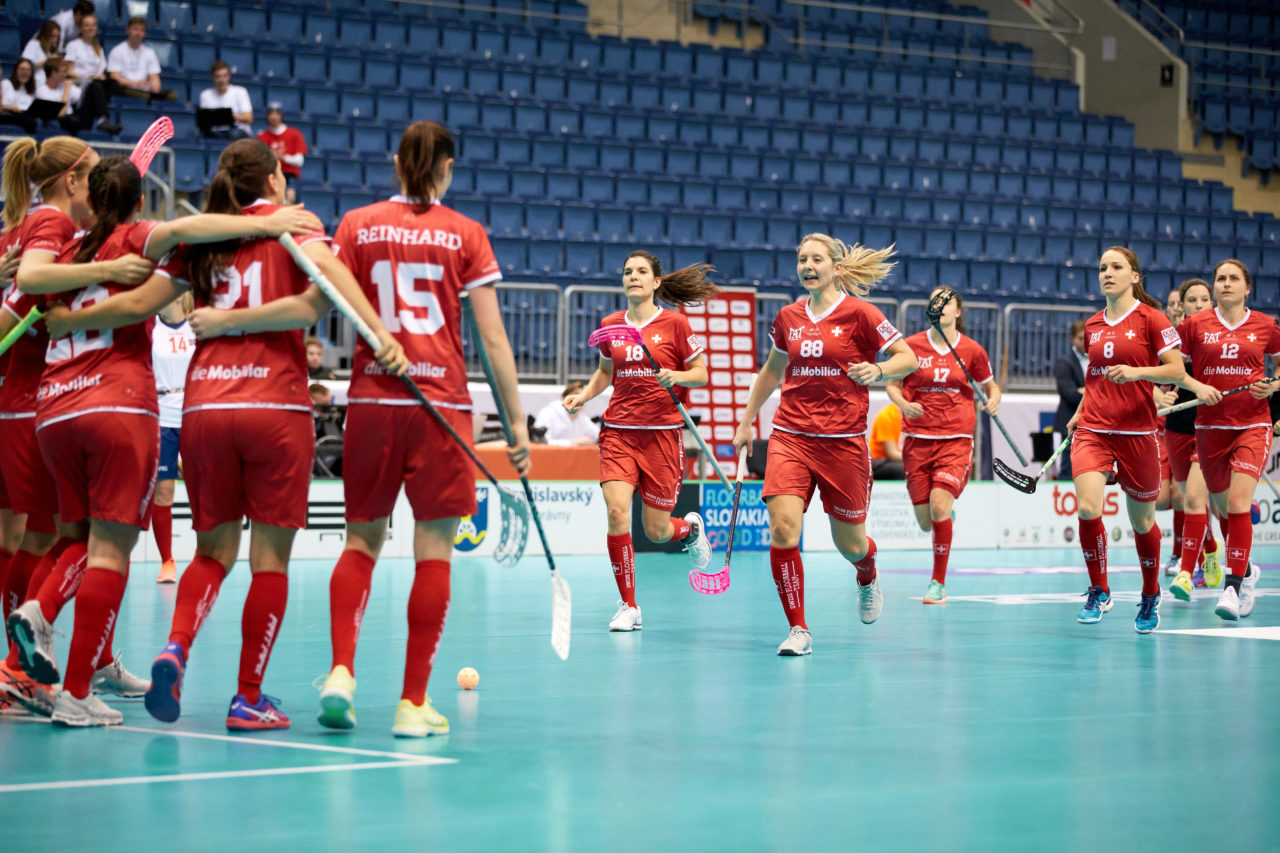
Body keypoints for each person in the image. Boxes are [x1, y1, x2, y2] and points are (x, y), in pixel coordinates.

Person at [43, 138, 405, 731]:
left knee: (211, 554)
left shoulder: (203, 240)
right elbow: (314, 306)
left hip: (205, 407)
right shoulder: (294, 226)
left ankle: (176, 646)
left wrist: (67, 319)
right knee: (269, 563)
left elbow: (138, 303)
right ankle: (247, 697)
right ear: (273, 182)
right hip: (274, 408)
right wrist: (384, 338)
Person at [187, 121, 528, 736]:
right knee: (433, 553)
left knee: (360, 544)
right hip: (438, 403)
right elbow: (493, 338)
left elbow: (321, 303)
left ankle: (341, 672)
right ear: (448, 169)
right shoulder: (467, 233)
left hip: (372, 399)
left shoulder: (356, 224)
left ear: (396, 164)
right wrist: (517, 426)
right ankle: (412, 704)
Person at [0, 136, 153, 718]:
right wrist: (113, 267)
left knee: (58, 538)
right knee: (64, 539)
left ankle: (94, 655)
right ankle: (18, 667)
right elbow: (23, 303)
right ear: (72, 181)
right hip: (45, 395)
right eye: (92, 175)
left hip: (40, 399)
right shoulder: (54, 227)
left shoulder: (38, 228)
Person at [732, 234, 918, 656]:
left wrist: (878, 369)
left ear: (836, 267)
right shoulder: (788, 317)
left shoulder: (862, 313)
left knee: (850, 545)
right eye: (802, 259)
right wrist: (746, 421)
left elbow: (907, 357)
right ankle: (798, 628)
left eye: (816, 259)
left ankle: (867, 574)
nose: (808, 266)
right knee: (783, 528)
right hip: (790, 436)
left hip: (843, 443)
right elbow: (772, 370)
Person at [1064, 247, 1215, 634]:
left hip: (1138, 433)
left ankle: (1150, 593)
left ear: (1134, 276)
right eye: (1102, 267)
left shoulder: (1153, 319)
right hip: (1094, 429)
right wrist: (1080, 411)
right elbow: (1096, 376)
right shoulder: (1093, 324)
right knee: (1087, 508)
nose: (1107, 273)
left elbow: (1176, 370)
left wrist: (1137, 373)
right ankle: (1099, 590)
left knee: (1143, 521)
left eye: (1116, 267)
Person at [564, 251, 716, 633]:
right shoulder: (610, 325)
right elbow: (605, 372)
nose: (633, 276)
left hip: (662, 435)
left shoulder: (676, 323)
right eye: (628, 271)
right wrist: (584, 395)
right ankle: (629, 605)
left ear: (655, 282)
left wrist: (676, 376)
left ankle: (690, 530)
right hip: (619, 432)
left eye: (641, 271)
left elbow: (700, 373)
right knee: (617, 513)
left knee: (656, 531)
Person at [1176, 259, 1279, 620]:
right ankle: (1247, 570)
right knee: (1223, 510)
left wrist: (1275, 384)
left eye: (1234, 278)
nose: (1226, 283)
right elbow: (1174, 366)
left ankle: (1233, 588)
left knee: (1237, 504)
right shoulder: (1194, 325)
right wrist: (1196, 386)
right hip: (1209, 429)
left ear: (1247, 287)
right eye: (1221, 278)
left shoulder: (1265, 325)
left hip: (1253, 424)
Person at [886, 286, 999, 605]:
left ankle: (938, 582)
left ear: (957, 311)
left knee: (938, 506)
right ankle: (945, 517)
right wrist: (903, 404)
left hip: (956, 440)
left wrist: (993, 401)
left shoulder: (973, 351)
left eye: (946, 301)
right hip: (917, 441)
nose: (940, 305)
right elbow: (892, 385)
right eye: (934, 300)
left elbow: (992, 387)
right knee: (926, 522)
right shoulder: (910, 346)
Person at [1165, 278, 1223, 598]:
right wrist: (1162, 394)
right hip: (1177, 425)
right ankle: (1210, 547)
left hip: (1208, 425)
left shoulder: (1221, 337)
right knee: (1192, 501)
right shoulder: (1173, 339)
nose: (1198, 305)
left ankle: (1187, 572)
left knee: (1193, 501)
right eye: (1191, 301)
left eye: (1204, 300)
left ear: (1211, 303)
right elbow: (1156, 375)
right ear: (1182, 307)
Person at [152, 292, 195, 584]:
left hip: (194, 412)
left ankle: (205, 553)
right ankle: (167, 560)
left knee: (202, 490)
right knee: (163, 492)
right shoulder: (151, 328)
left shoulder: (197, 326)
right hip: (162, 417)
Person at [36, 57, 119, 135]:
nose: (65, 75)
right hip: (60, 122)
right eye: (63, 72)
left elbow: (83, 98)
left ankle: (102, 120)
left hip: (75, 120)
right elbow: (60, 113)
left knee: (95, 86)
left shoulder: (65, 86)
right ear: (53, 73)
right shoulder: (42, 90)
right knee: (69, 120)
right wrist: (67, 89)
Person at [106, 16, 177, 103]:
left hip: (145, 90)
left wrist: (153, 86)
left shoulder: (150, 53)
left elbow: (155, 79)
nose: (138, 33)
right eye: (135, 29)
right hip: (125, 90)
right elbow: (115, 79)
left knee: (172, 96)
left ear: (144, 33)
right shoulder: (117, 51)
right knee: (143, 96)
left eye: (142, 30)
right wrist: (136, 83)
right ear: (128, 30)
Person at [1053, 319, 1087, 481]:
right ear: (1072, 339)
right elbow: (1070, 394)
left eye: (1087, 338)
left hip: (1093, 423)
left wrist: (1083, 389)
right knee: (1067, 471)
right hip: (1069, 423)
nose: (1085, 342)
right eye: (1081, 338)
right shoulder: (1064, 362)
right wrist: (1093, 391)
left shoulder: (1097, 359)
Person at [256, 102, 307, 193]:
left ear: (281, 116)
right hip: (269, 175)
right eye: (271, 114)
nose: (274, 117)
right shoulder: (261, 137)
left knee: (290, 193)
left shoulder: (294, 134)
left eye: (277, 114)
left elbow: (299, 161)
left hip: (289, 175)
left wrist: (282, 157)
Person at [198, 61, 253, 139]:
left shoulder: (240, 91)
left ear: (229, 76)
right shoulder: (205, 95)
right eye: (218, 76)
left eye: (225, 76)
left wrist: (229, 117)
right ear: (212, 77)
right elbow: (203, 121)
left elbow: (249, 118)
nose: (222, 80)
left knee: (234, 133)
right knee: (197, 133)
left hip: (236, 130)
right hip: (215, 131)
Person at [534, 380, 599, 446]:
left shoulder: (583, 419)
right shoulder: (547, 413)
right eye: (576, 394)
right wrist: (574, 442)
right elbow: (541, 441)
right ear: (564, 397)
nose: (580, 399)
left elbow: (597, 436)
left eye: (583, 396)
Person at [311, 383, 343, 477]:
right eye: (324, 405)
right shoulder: (307, 420)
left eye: (329, 404)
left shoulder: (334, 420)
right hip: (316, 462)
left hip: (334, 459)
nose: (328, 408)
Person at [0, 61, 39, 134]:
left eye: (28, 70)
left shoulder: (30, 89)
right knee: (29, 121)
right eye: (22, 69)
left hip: (25, 114)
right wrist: (11, 108)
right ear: (16, 71)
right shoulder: (6, 84)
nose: (25, 73)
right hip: (8, 114)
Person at [868, 403, 904, 479]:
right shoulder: (886, 415)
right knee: (906, 469)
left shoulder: (919, 418)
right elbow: (892, 454)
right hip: (877, 460)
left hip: (897, 459)